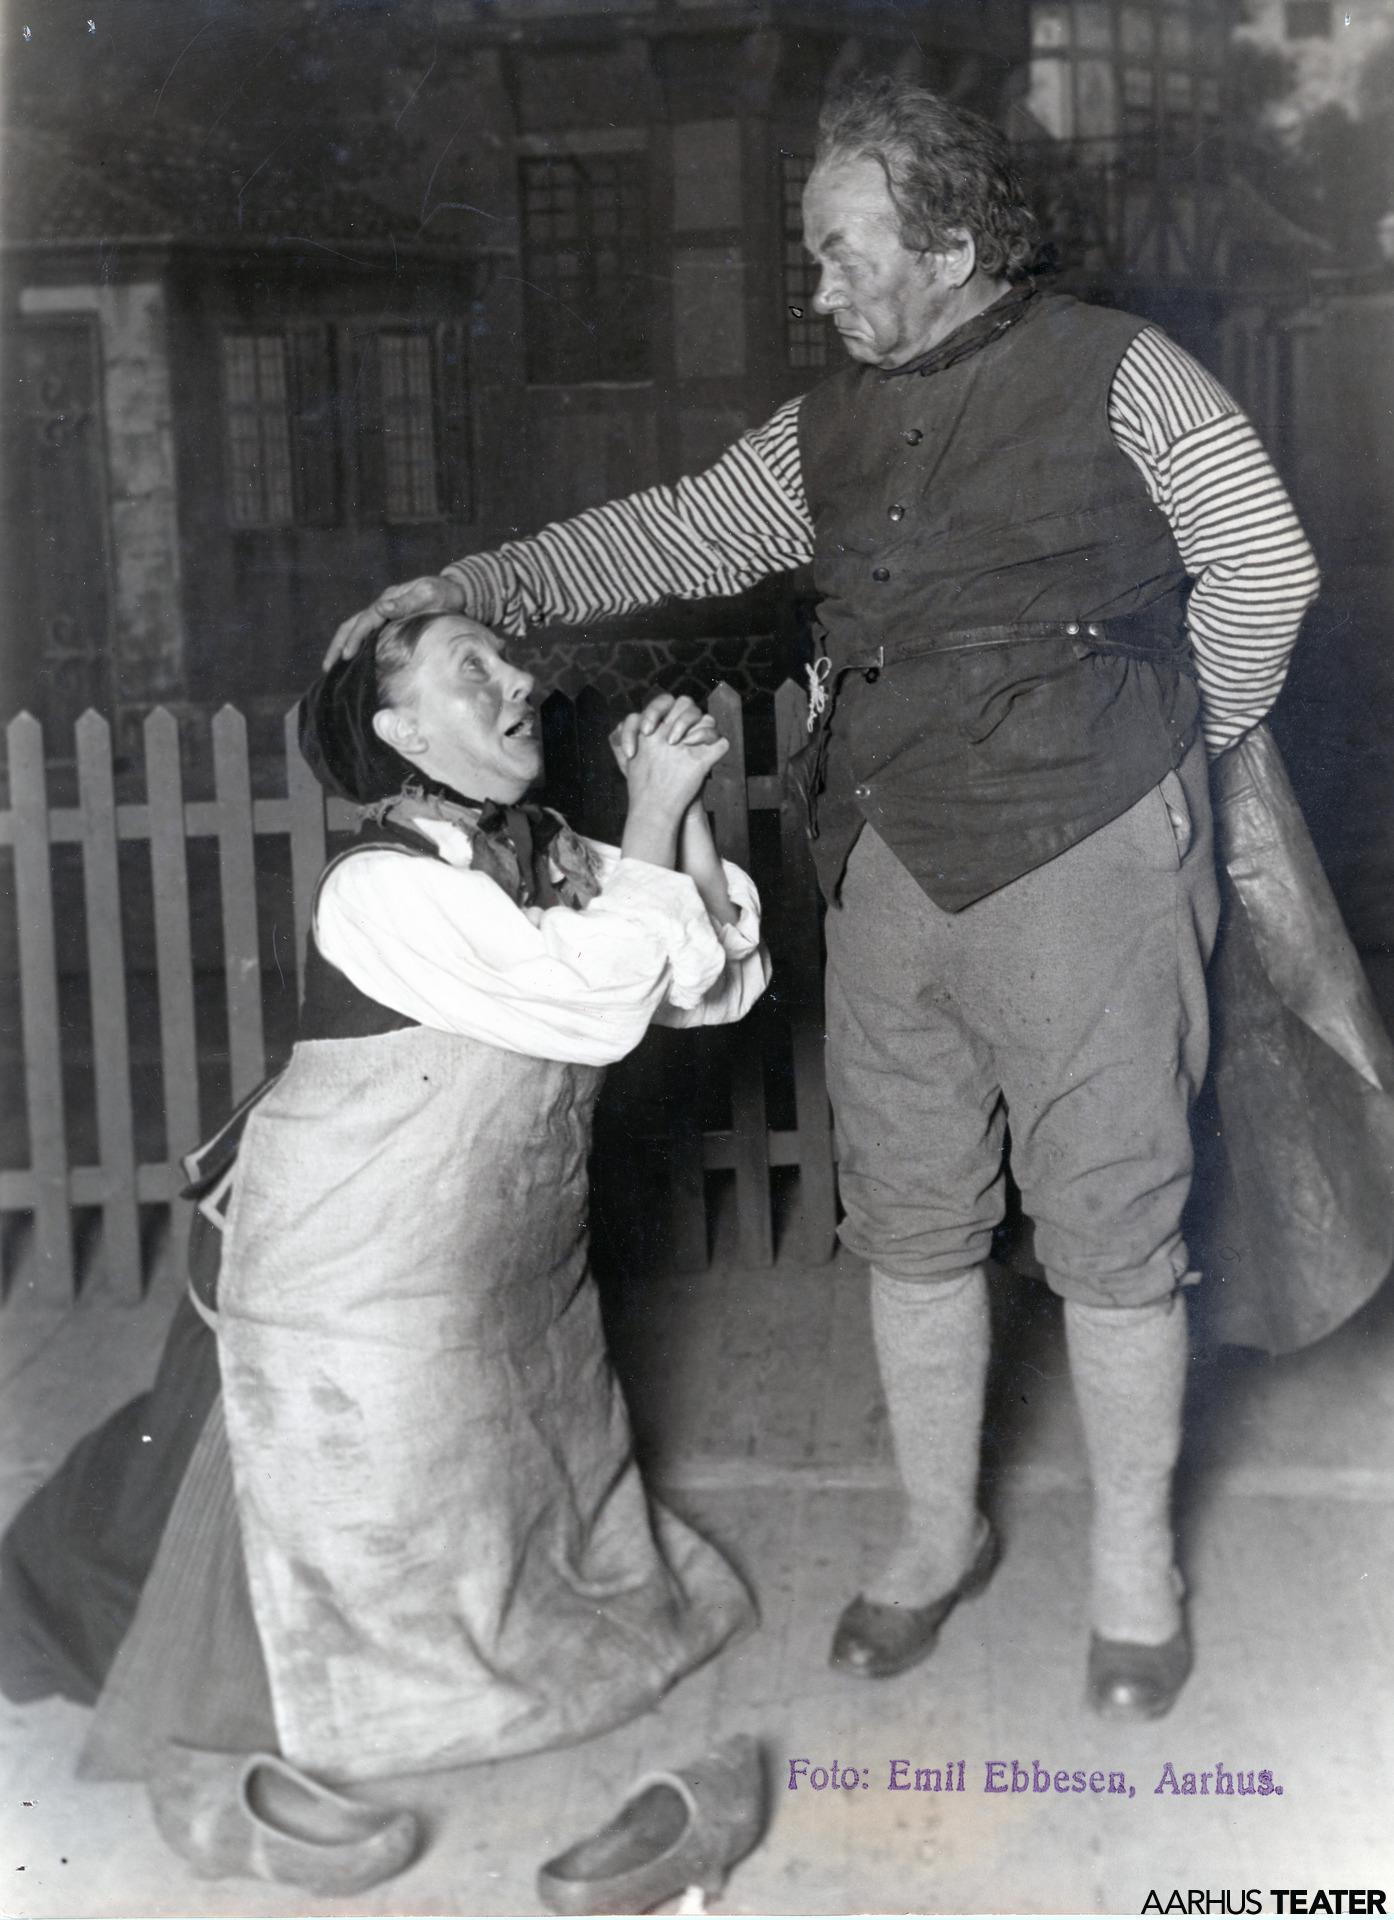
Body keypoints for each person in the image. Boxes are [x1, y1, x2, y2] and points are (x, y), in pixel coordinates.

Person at [324, 77, 1321, 1720]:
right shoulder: (820, 431)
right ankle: (936, 1535)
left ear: (948, 243)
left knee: (1112, 1226)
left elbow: (1264, 565)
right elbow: (670, 533)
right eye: (810, 255)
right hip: (885, 863)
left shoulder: (1126, 371)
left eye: (840, 250)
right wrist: (477, 582)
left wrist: (1166, 754)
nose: (817, 285)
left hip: (1086, 853)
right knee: (913, 1219)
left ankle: (1134, 1569)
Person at [5, 614, 769, 1797]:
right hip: (336, 1262)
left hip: (475, 1247)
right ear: (401, 731)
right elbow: (600, 996)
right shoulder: (379, 885)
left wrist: (680, 814)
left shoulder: (547, 850)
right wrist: (655, 812)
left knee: (504, 1479)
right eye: (473, 671)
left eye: (508, 659)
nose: (518, 682)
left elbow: (706, 978)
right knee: (216, 1516)